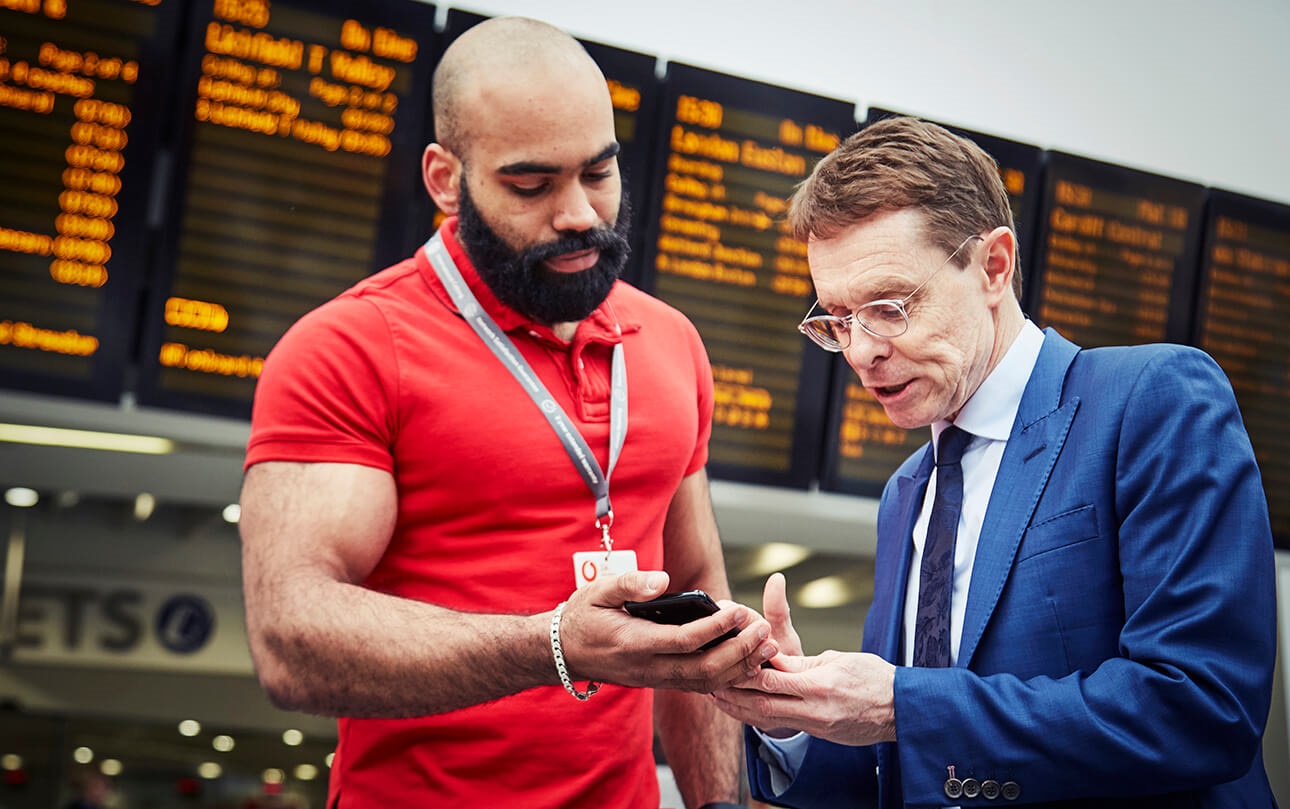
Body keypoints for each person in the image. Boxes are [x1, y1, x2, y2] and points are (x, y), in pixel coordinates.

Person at [237, 16, 776, 809]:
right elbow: (291, 639)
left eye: (599, 172)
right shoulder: (348, 347)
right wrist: (556, 645)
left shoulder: (670, 342)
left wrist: (721, 804)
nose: (579, 215)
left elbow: (697, 588)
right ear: (445, 178)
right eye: (532, 184)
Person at [711, 116, 1279, 808]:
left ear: (994, 265)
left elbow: (1202, 708)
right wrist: (801, 712)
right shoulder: (907, 493)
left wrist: (900, 703)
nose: (860, 351)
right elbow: (907, 769)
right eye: (837, 318)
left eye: (888, 308)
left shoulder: (1151, 400)